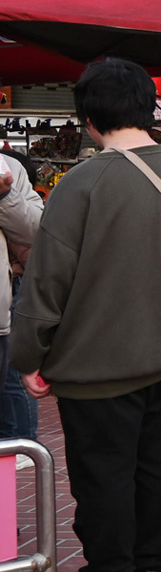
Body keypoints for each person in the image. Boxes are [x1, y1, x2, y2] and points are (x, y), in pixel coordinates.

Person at [11, 57, 161, 572]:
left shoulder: (79, 184)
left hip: (94, 368)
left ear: (87, 117)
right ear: (147, 108)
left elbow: (47, 281)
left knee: (103, 479)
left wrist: (29, 355)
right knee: (158, 469)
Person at [0, 149, 43, 452]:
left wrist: (5, 196)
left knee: (14, 376)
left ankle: (23, 445)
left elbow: (36, 230)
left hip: (4, 305)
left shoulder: (9, 168)